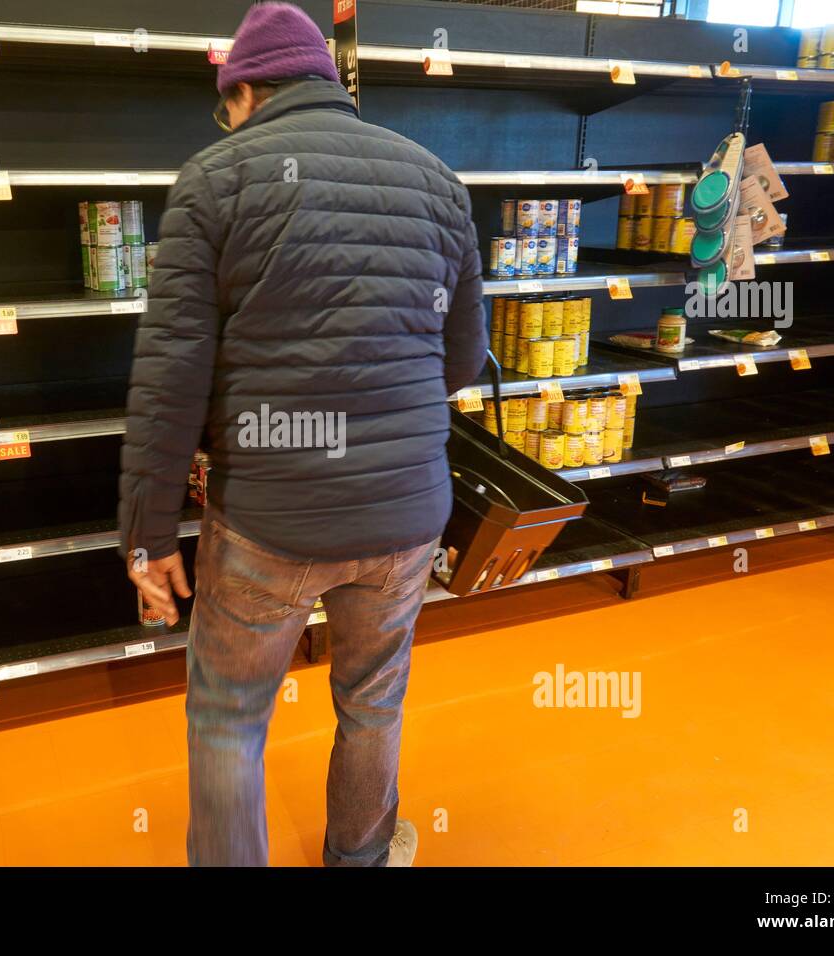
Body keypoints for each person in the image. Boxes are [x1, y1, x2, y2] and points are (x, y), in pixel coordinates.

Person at [118, 1, 486, 867]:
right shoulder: (435, 180)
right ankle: (359, 858)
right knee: (372, 700)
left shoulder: (214, 182)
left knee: (227, 717)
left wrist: (146, 533)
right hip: (403, 517)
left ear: (245, 92)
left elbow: (170, 380)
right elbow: (464, 358)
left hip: (269, 519)